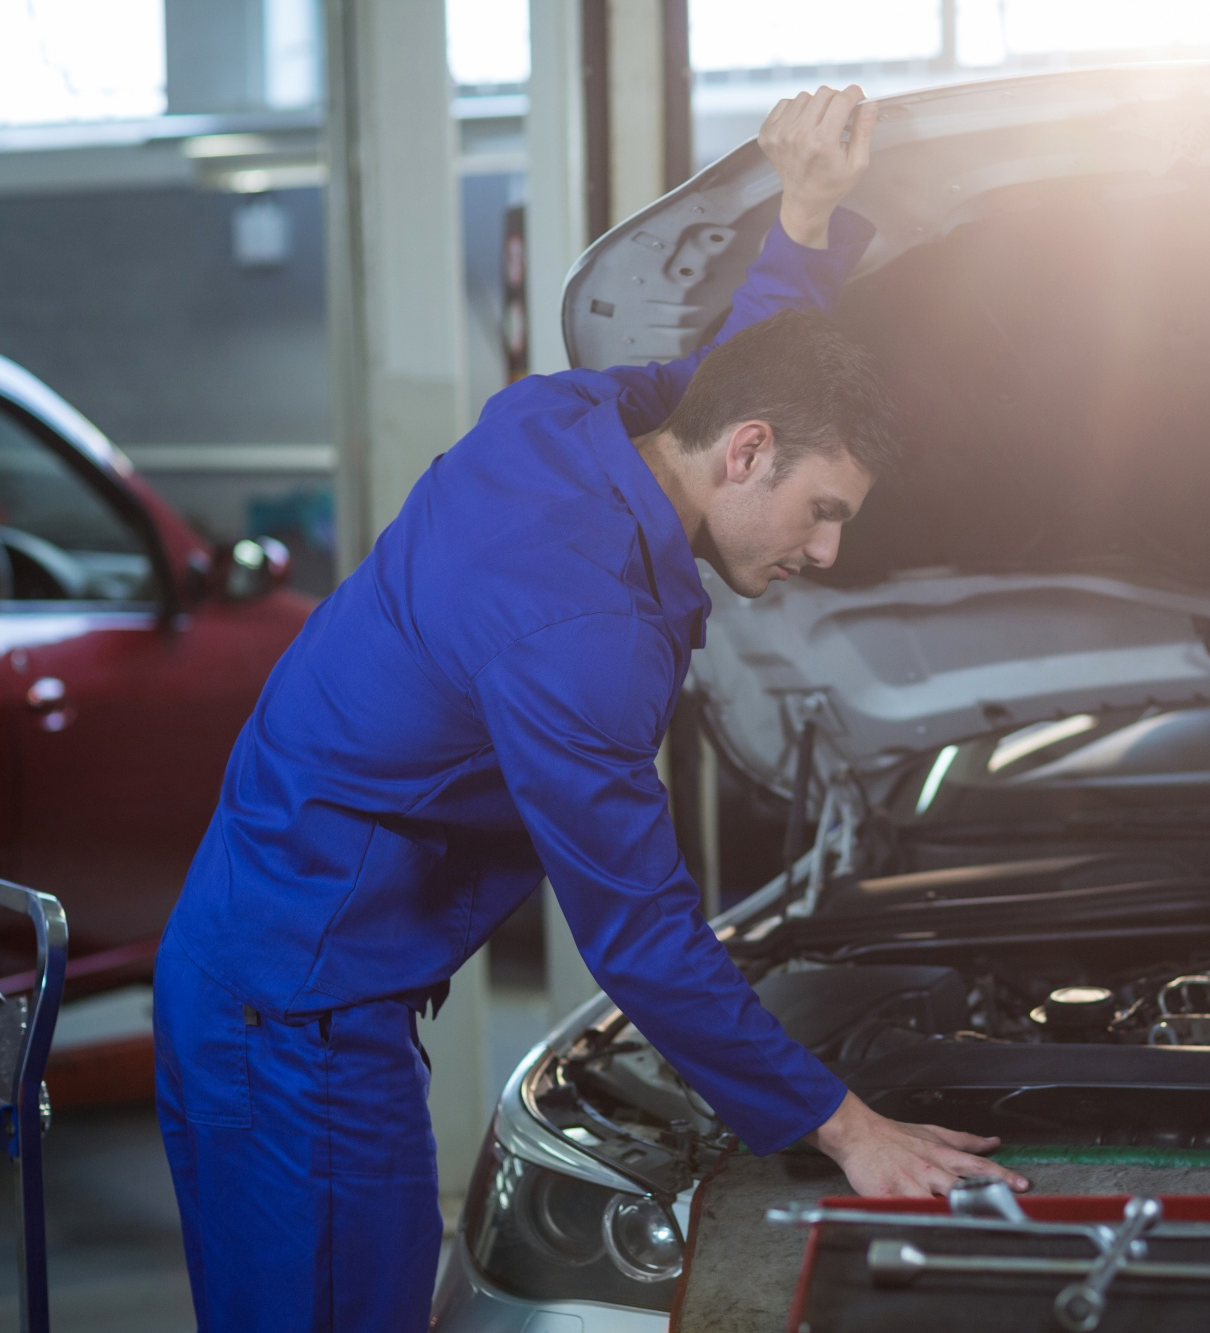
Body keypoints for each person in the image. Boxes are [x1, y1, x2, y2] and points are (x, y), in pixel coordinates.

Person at [152, 85, 1028, 1331]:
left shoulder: (575, 416)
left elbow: (734, 375)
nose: (828, 551)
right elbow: (641, 935)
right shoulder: (578, 632)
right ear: (747, 457)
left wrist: (804, 214)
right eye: (822, 510)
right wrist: (847, 1128)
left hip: (266, 966)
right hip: (292, 1018)